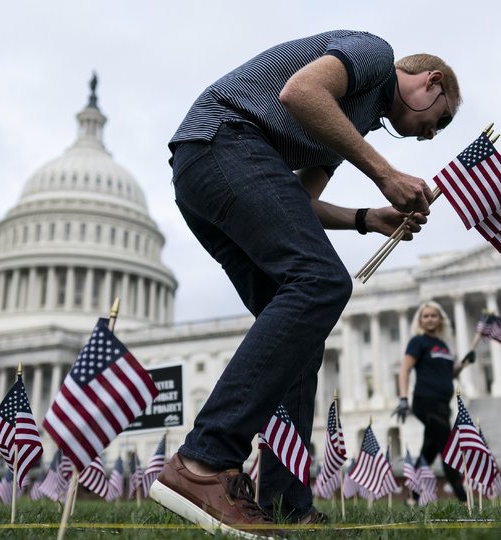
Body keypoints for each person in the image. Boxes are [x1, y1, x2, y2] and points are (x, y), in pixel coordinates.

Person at [149, 30, 461, 537]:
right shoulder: (374, 56)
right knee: (321, 281)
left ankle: (282, 502)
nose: (430, 135)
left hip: (207, 172)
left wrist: (367, 217)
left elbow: (297, 201)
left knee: (301, 332)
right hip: (223, 141)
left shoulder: (349, 124)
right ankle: (203, 462)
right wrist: (385, 174)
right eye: (439, 120)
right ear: (432, 81)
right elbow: (300, 92)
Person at [391, 300, 474, 502]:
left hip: (443, 403)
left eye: (433, 316)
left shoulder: (443, 345)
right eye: (425, 316)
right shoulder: (418, 341)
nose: (429, 319)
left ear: (440, 319)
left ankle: (412, 496)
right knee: (448, 447)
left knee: (430, 450)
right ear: (420, 320)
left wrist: (464, 363)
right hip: (425, 401)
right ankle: (464, 498)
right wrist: (403, 398)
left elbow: (449, 373)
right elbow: (405, 370)